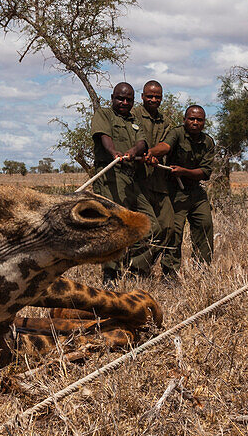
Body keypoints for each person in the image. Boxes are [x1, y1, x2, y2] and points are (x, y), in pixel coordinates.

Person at [147, 105, 216, 278]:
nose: (195, 122)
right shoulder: (177, 133)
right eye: (191, 119)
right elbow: (165, 146)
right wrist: (150, 153)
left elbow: (205, 173)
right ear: (185, 120)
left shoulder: (208, 141)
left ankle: (203, 271)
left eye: (199, 120)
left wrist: (184, 171)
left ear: (204, 122)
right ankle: (169, 274)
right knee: (174, 231)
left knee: (205, 224)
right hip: (174, 191)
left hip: (196, 192)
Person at [90, 82, 148, 283]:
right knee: (113, 224)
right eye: (120, 98)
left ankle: (134, 269)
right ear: (112, 97)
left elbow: (141, 142)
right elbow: (104, 137)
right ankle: (110, 274)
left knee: (151, 224)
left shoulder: (135, 119)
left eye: (128, 99)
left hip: (132, 175)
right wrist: (113, 152)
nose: (124, 102)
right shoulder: (104, 114)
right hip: (110, 175)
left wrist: (133, 152)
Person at [132, 80, 176, 277]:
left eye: (157, 96)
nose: (153, 99)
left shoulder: (166, 122)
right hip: (136, 181)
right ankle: (134, 270)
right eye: (149, 96)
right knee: (149, 228)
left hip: (158, 180)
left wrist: (153, 154)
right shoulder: (132, 115)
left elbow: (166, 145)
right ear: (142, 96)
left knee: (168, 228)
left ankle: (141, 265)